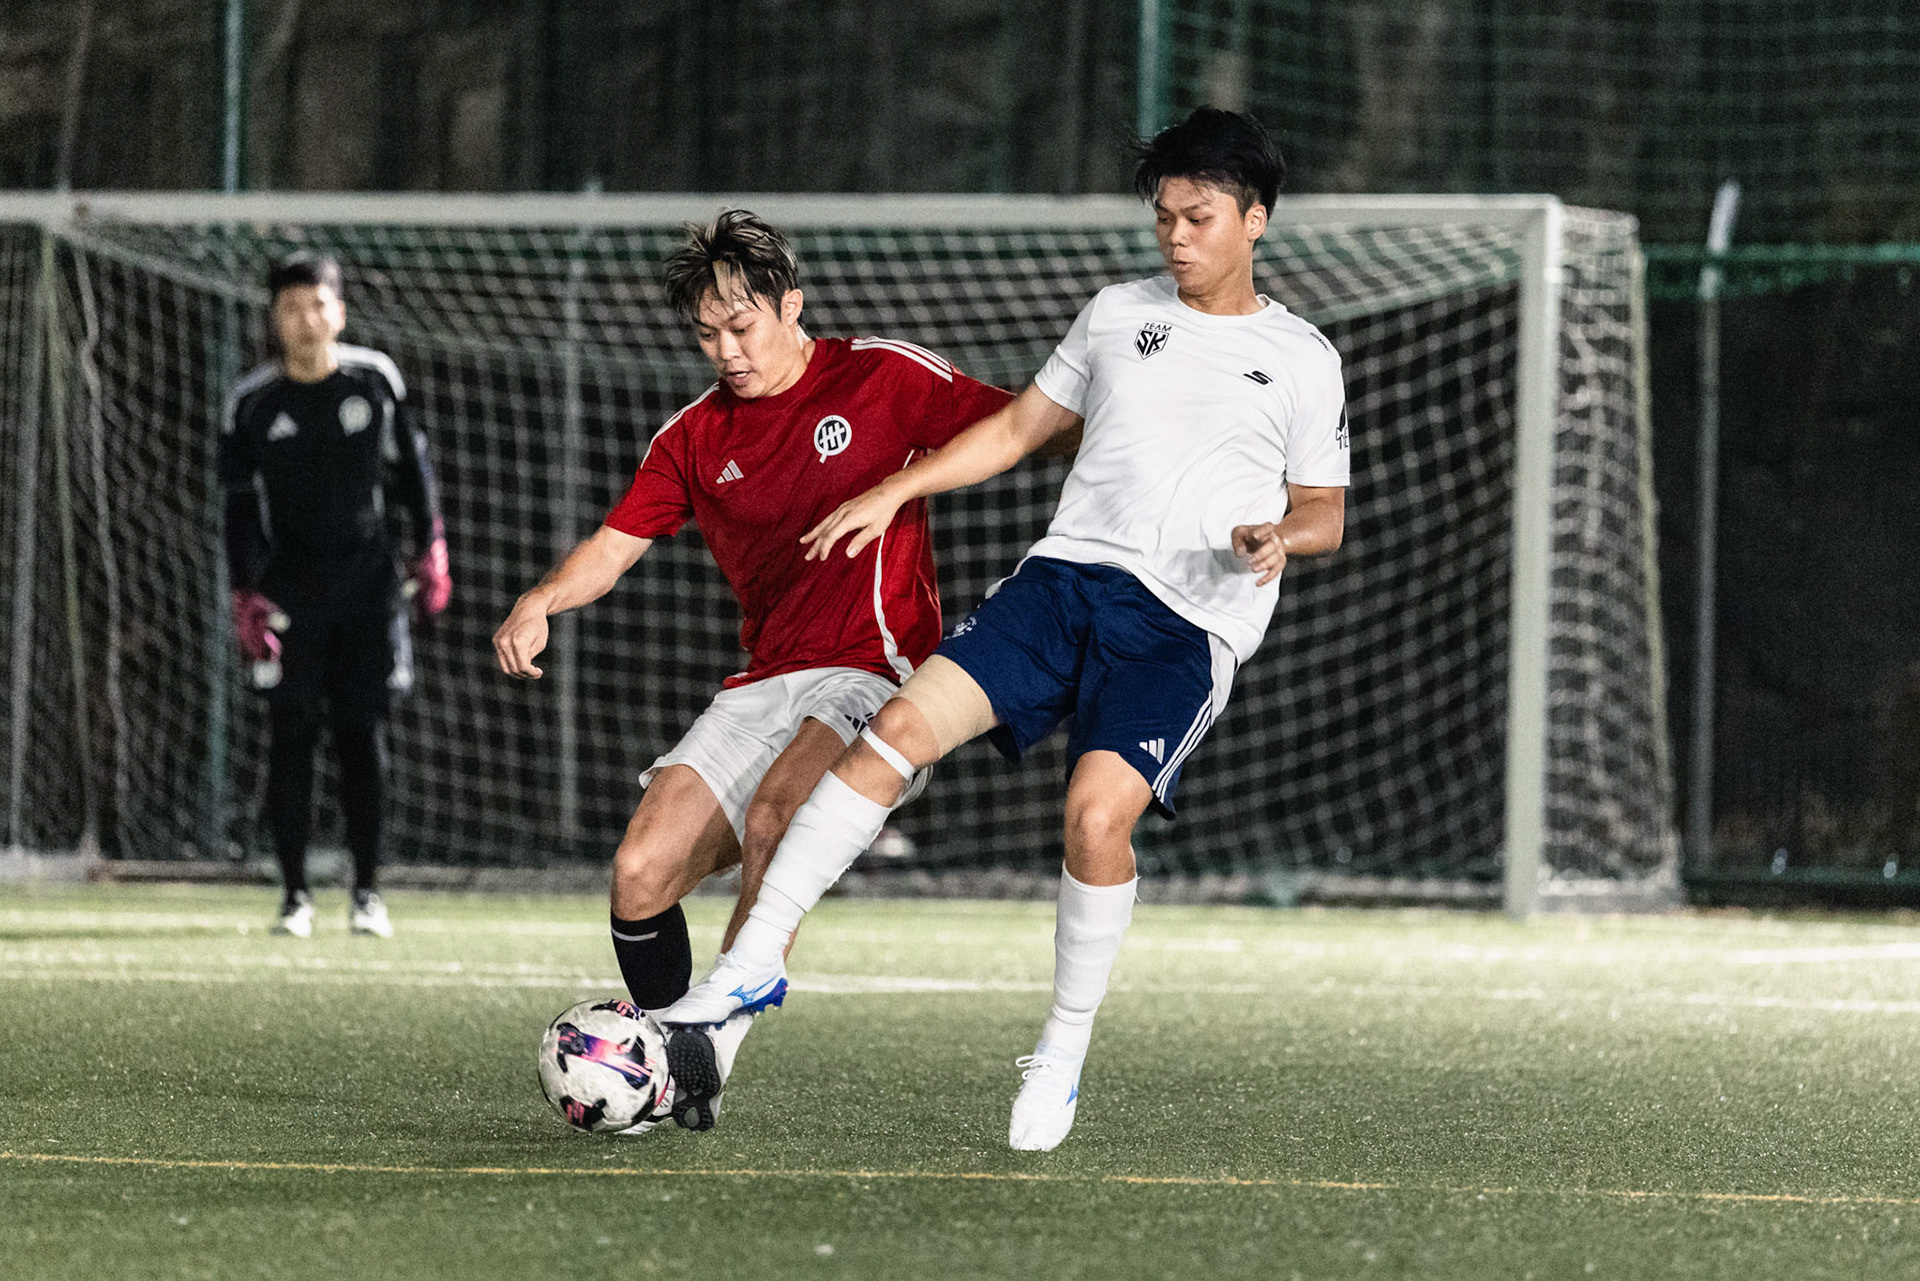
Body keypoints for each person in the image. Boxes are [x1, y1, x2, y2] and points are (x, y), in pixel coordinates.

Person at [661, 107, 1351, 1152]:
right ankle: (747, 968)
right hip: (1062, 581)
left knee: (1093, 820)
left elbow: (1326, 513)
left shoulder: (1300, 356)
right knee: (892, 729)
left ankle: (1063, 1052)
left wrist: (1278, 538)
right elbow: (1022, 428)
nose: (1175, 235)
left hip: (1183, 623)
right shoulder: (1118, 314)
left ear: (1254, 220)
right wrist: (901, 490)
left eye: (1198, 217)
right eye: (1164, 215)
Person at [492, 210, 1012, 1132]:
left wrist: (909, 484)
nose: (725, 349)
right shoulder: (693, 437)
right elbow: (611, 550)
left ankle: (706, 1050)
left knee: (781, 810)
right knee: (639, 872)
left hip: (875, 670)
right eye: (706, 333)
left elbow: (1024, 427)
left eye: (742, 325)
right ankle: (656, 1059)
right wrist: (542, 599)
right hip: (767, 678)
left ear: (792, 306)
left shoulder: (881, 376)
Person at [219, 252, 451, 940]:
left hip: (369, 590)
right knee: (289, 736)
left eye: (317, 304)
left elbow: (414, 472)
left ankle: (368, 893)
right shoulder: (252, 404)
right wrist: (245, 591)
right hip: (292, 593)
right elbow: (237, 508)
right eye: (290, 307)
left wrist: (432, 545)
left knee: (362, 736)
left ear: (339, 312)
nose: (305, 319)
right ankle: (294, 896)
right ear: (275, 319)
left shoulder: (375, 379)